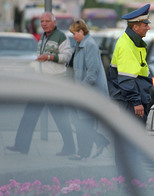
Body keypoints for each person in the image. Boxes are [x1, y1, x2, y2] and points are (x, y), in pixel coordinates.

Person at [7, 12, 76, 156]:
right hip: (42, 83)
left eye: (47, 21)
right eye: (42, 21)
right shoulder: (43, 37)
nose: (44, 24)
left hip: (54, 83)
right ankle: (21, 145)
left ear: (54, 22)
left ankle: (70, 147)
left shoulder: (61, 37)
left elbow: (66, 56)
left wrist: (49, 57)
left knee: (60, 117)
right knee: (29, 115)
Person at [68, 19, 110, 160]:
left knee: (83, 122)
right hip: (83, 90)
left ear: (81, 31)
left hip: (89, 92)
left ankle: (83, 153)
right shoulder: (81, 44)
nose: (73, 36)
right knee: (80, 121)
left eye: (74, 33)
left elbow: (92, 72)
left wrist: (82, 88)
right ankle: (95, 144)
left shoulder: (89, 45)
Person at [108, 4, 153, 123]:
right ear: (135, 27)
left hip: (132, 100)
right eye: (145, 25)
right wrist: (136, 102)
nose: (148, 28)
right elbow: (126, 79)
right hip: (130, 103)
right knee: (134, 138)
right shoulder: (126, 45)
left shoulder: (132, 42)